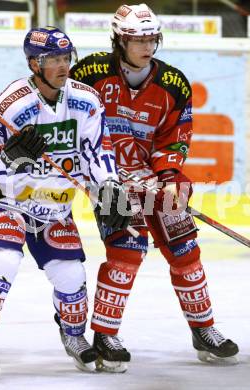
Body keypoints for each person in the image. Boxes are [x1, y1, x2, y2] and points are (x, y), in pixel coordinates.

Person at [70, 3, 239, 372]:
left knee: (185, 249)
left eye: (151, 38)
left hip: (149, 177)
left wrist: (170, 174)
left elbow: (175, 137)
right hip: (105, 178)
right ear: (119, 40)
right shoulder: (89, 73)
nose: (146, 46)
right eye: (137, 40)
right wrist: (94, 174)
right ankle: (105, 334)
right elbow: (69, 119)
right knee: (127, 251)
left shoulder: (173, 84)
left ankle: (204, 329)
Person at [0, 26, 130, 382]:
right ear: (34, 63)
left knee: (71, 275)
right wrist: (15, 156)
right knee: (2, 260)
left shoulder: (86, 100)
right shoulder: (12, 104)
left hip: (53, 205)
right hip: (4, 200)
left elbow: (97, 150)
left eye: (66, 58)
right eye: (53, 60)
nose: (63, 66)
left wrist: (109, 187)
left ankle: (73, 334)